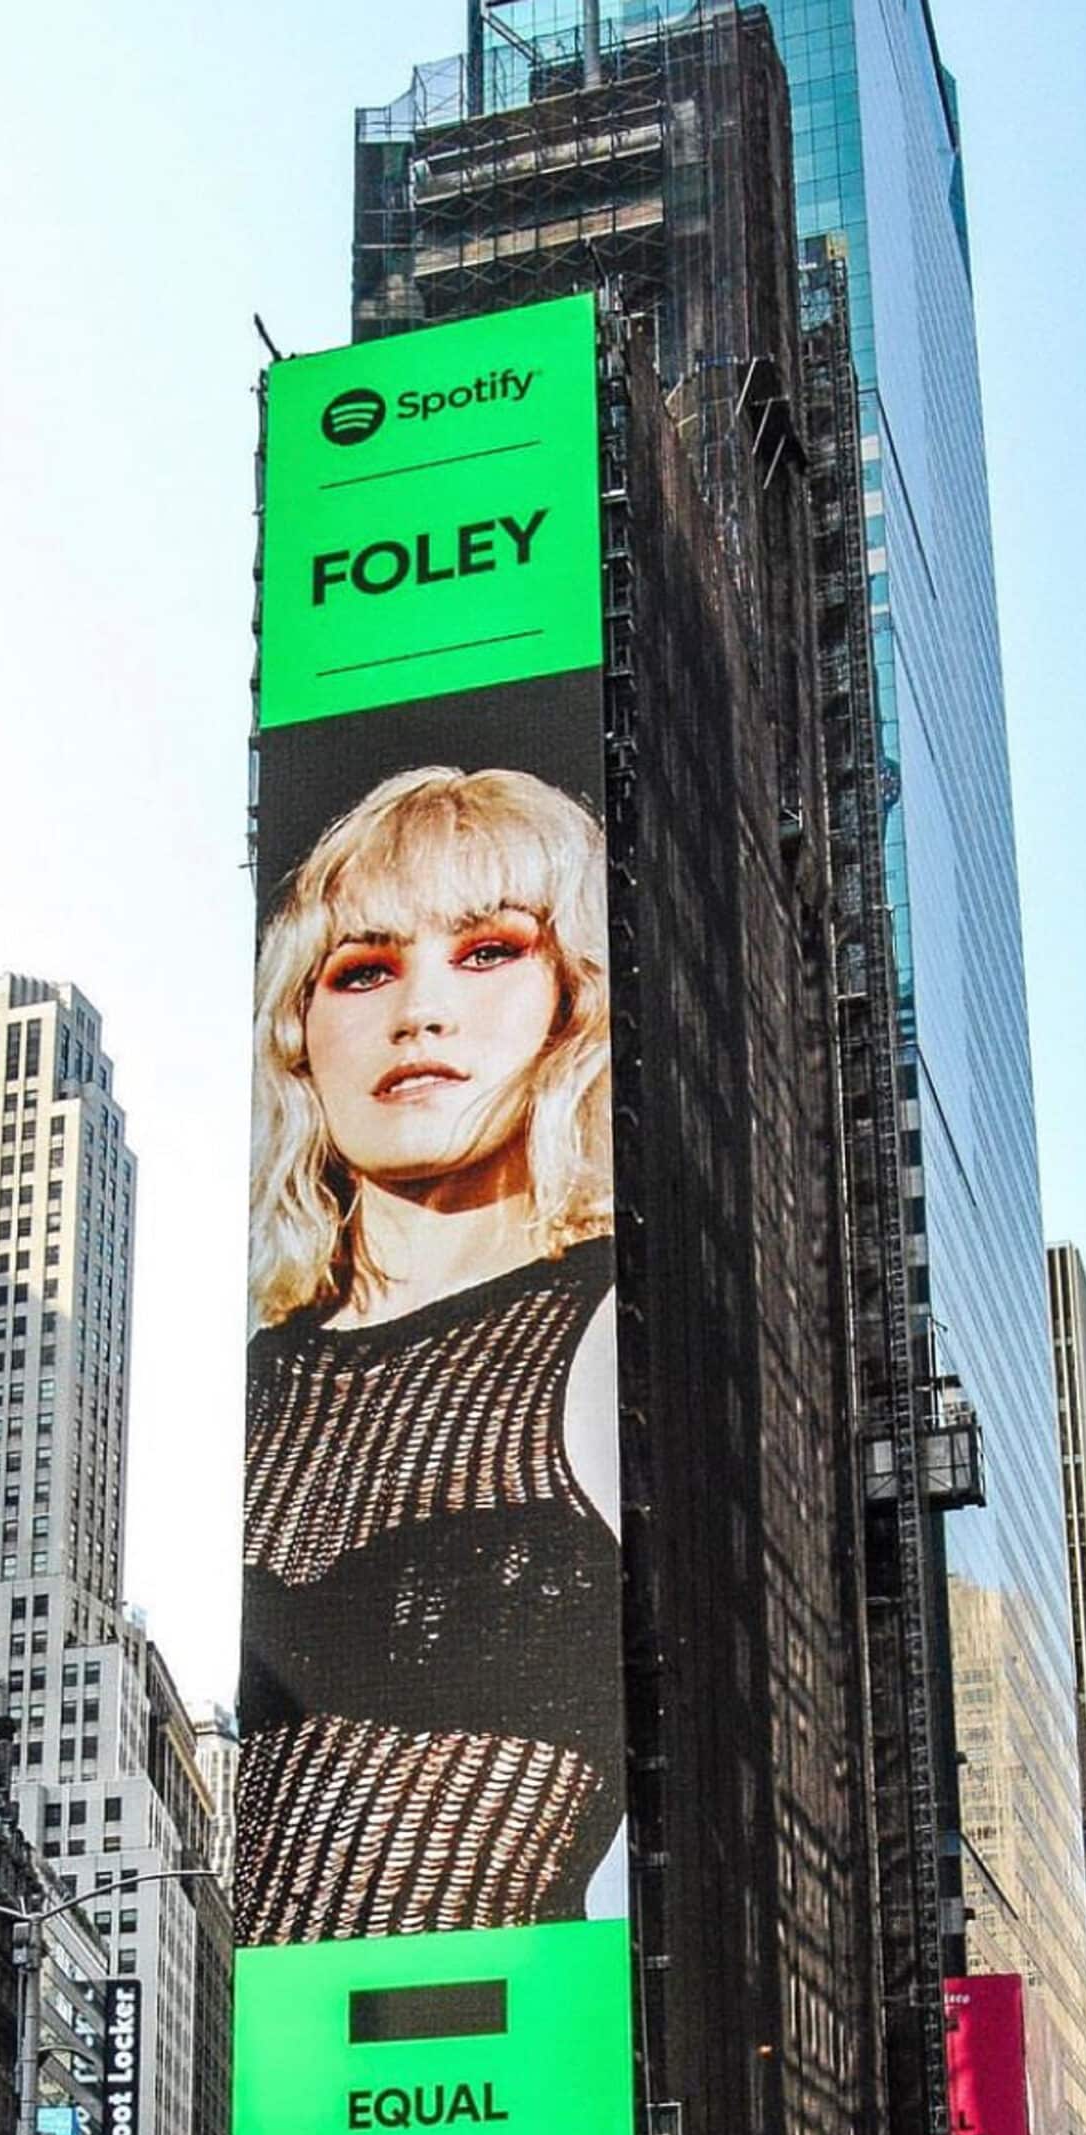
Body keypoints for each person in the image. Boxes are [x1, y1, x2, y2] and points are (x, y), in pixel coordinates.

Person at [240, 763, 621, 1946]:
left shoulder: (610, 1326)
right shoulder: (253, 1381)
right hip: (286, 2093)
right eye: (362, 968)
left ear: (574, 1002)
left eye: (488, 950)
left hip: (530, 2067)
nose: (418, 1011)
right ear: (300, 1032)